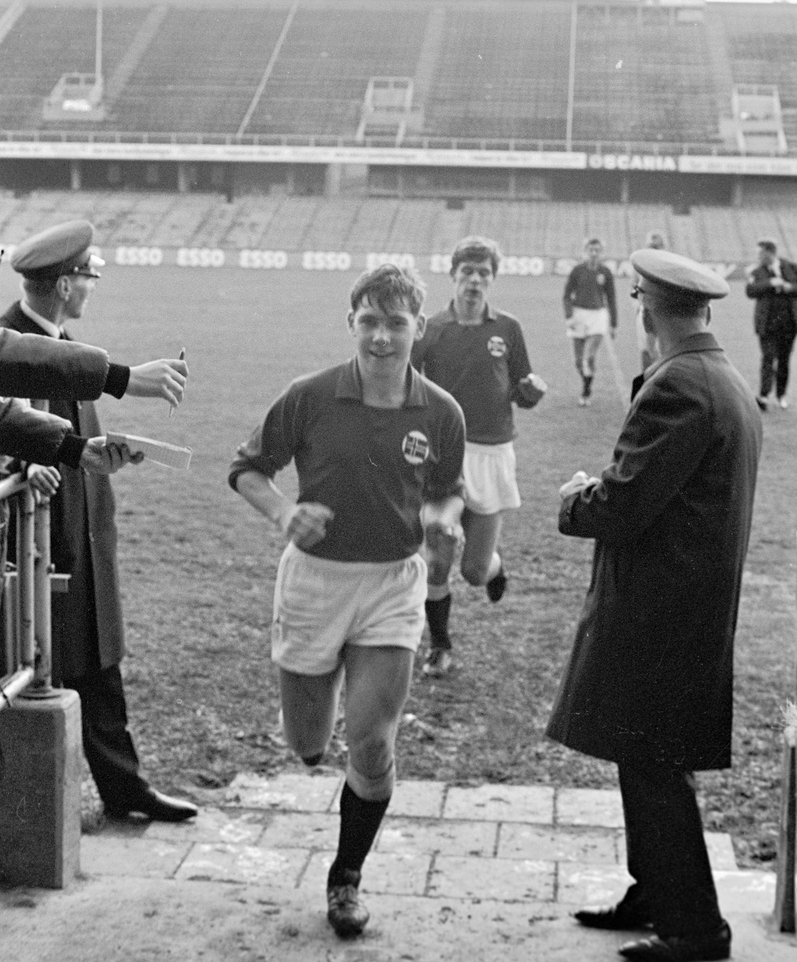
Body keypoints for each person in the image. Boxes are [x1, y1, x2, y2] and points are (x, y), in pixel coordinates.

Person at [228, 264, 465, 940]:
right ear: (352, 322)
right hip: (313, 582)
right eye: (371, 321)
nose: (383, 336)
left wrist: (444, 518)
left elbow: (449, 488)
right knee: (307, 742)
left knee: (371, 740)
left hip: (392, 584)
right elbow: (247, 469)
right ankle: (312, 730)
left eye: (397, 323)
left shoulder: (441, 411)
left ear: (419, 327)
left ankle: (346, 877)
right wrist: (283, 513)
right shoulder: (309, 396)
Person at [547, 248, 761, 962]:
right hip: (687, 604)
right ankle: (656, 891)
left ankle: (698, 930)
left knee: (654, 767)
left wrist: (576, 500)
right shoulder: (722, 377)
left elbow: (625, 503)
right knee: (644, 757)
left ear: (643, 304)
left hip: (659, 611)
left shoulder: (680, 385)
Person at [0, 220, 197, 823]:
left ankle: (123, 788)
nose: (92, 287)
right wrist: (121, 380)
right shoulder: (22, 340)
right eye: (88, 275)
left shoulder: (53, 343)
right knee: (39, 662)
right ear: (64, 283)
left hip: (76, 531)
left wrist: (76, 448)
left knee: (92, 661)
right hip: (34, 542)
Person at [410, 235, 546, 678]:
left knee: (472, 570)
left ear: (492, 280)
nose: (474, 280)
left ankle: (495, 568)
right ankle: (440, 646)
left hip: (492, 453)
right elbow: (406, 386)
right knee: (437, 550)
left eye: (483, 273)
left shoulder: (507, 328)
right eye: (467, 272)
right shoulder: (430, 329)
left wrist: (530, 393)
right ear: (453, 275)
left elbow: (522, 388)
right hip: (443, 454)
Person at [745, 237, 797, 410]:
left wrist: (789, 287)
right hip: (767, 324)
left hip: (789, 323)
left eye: (761, 252)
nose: (758, 256)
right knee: (768, 358)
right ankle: (764, 396)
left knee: (784, 360)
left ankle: (781, 395)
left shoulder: (791, 267)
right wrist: (770, 283)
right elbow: (750, 291)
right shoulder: (757, 272)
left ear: (770, 252)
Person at [563, 237, 617, 405]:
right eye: (591, 250)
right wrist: (569, 315)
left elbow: (611, 298)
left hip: (598, 316)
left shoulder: (606, 272)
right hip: (578, 315)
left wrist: (614, 324)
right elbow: (566, 295)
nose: (594, 254)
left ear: (601, 252)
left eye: (597, 250)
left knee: (588, 357)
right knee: (579, 361)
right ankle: (587, 384)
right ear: (585, 251)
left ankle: (585, 393)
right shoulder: (577, 271)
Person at [635, 231, 667, 370]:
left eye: (658, 247)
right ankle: (647, 383)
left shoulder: (669, 266)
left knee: (663, 350)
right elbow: (634, 288)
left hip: (665, 313)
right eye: (652, 247)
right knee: (646, 350)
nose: (655, 250)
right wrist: (638, 303)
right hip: (646, 310)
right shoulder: (640, 266)